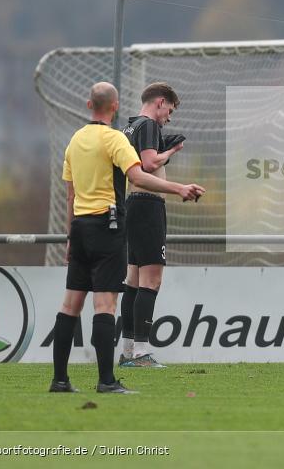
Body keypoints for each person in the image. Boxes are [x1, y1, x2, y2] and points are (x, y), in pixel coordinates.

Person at [49, 82, 204, 394]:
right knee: (105, 304)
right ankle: (108, 379)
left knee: (70, 305)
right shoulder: (115, 139)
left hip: (79, 227)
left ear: (89, 104)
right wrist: (179, 187)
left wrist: (69, 238)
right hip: (107, 226)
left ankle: (60, 380)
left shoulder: (75, 140)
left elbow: (70, 195)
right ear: (115, 106)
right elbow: (139, 175)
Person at [118, 83, 186, 369]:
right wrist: (171, 150)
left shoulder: (131, 127)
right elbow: (147, 164)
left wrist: (163, 148)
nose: (168, 117)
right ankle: (140, 354)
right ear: (160, 102)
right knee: (151, 280)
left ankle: (128, 351)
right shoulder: (148, 125)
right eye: (169, 110)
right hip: (148, 206)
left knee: (133, 281)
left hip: (133, 206)